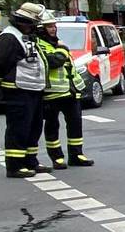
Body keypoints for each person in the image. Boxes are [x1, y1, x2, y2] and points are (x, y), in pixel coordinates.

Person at [0, 2, 50, 177]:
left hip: (32, 89)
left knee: (34, 126)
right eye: (32, 23)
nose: (34, 27)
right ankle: (14, 165)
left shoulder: (25, 36)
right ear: (23, 22)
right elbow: (0, 63)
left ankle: (30, 160)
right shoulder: (9, 37)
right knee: (19, 128)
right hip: (18, 90)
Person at [37, 12, 95, 168]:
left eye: (54, 26)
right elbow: (54, 62)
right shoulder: (39, 44)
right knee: (52, 126)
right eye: (49, 26)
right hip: (52, 93)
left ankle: (76, 155)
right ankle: (57, 158)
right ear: (41, 28)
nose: (53, 29)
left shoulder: (57, 42)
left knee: (75, 124)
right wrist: (62, 49)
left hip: (71, 91)